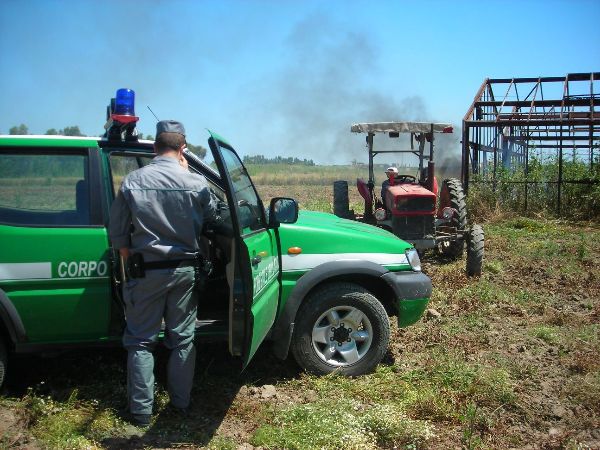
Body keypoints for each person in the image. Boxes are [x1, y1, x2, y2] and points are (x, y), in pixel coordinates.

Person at [109, 120, 217, 427]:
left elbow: (118, 236)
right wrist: (188, 172)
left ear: (155, 147)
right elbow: (212, 216)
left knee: (141, 341)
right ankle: (180, 405)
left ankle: (141, 413)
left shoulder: (132, 181)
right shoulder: (196, 182)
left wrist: (135, 261)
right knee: (182, 340)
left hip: (146, 273)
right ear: (183, 149)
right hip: (184, 271)